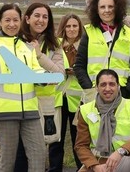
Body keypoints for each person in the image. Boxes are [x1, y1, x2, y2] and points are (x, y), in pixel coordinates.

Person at [0, 3, 48, 172]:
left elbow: (35, 69)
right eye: (7, 20)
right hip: (4, 111)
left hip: (30, 111)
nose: (12, 24)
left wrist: (43, 76)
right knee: (8, 159)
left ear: (21, 21)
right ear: (0, 22)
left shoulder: (26, 45)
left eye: (15, 20)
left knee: (38, 154)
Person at [15, 2, 67, 172]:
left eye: (45, 17)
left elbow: (60, 75)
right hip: (19, 103)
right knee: (18, 154)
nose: (41, 20)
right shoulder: (15, 41)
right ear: (27, 18)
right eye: (37, 16)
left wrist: (39, 55)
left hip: (44, 105)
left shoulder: (55, 44)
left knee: (39, 152)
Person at [73, 69, 130, 172]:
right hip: (98, 163)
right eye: (103, 85)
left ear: (118, 86)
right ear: (96, 88)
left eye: (112, 84)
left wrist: (121, 151)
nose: (107, 88)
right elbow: (81, 146)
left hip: (123, 159)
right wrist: (94, 166)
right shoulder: (85, 110)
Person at [74, 0, 130, 106]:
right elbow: (79, 66)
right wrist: (89, 87)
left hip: (121, 94)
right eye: (102, 7)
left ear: (118, 7)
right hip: (95, 94)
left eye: (111, 6)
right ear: (96, 10)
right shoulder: (89, 32)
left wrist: (128, 89)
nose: (107, 10)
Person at [57, 13, 85, 171]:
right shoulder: (56, 45)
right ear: (63, 28)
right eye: (68, 26)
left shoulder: (85, 46)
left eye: (75, 26)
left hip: (78, 99)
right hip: (60, 97)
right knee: (57, 139)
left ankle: (81, 168)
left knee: (78, 140)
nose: (72, 29)